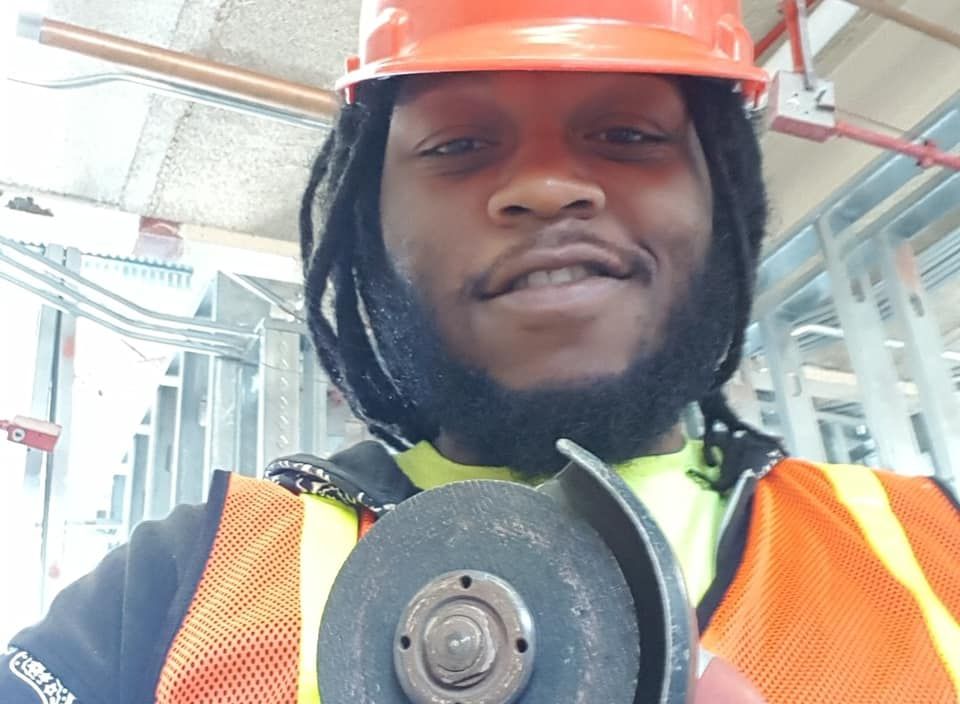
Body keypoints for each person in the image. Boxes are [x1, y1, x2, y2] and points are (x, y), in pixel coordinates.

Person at [4, 1, 959, 702]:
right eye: (459, 145)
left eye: (628, 133)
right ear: (366, 227)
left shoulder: (934, 549)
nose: (545, 187)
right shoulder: (180, 585)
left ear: (727, 201)